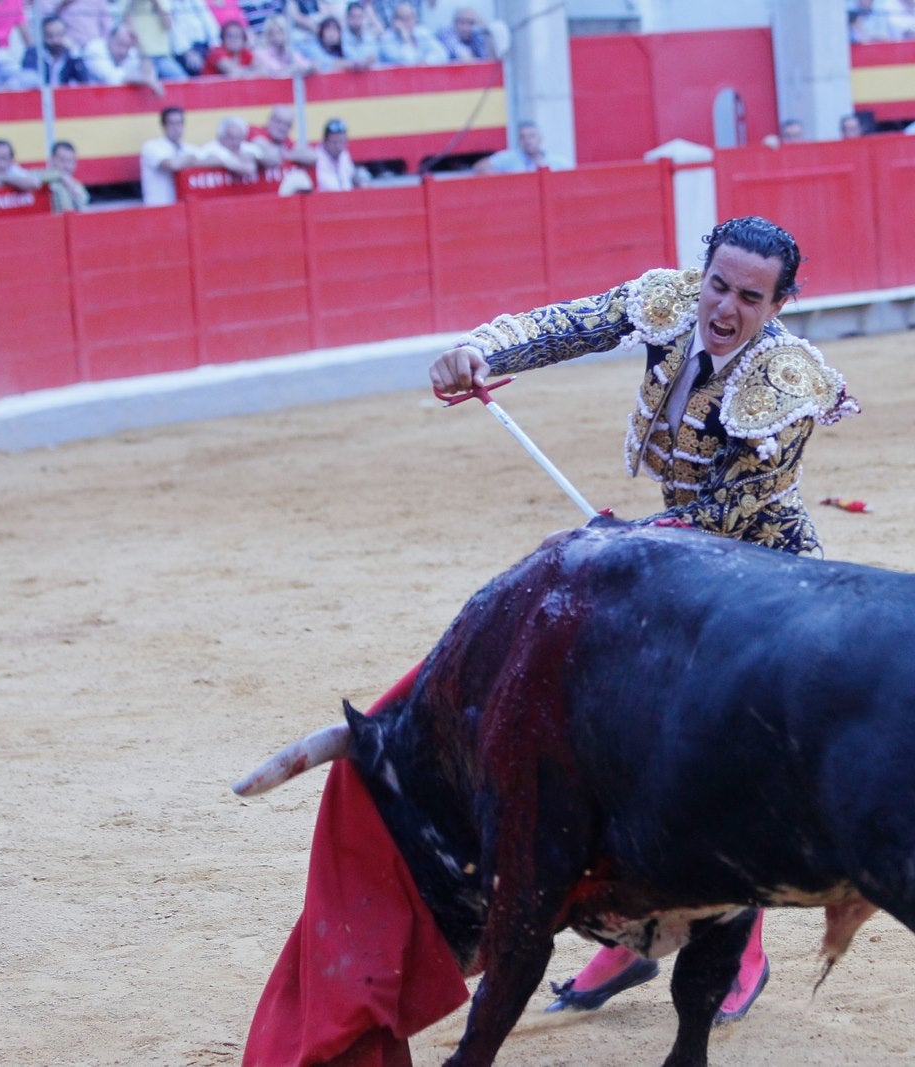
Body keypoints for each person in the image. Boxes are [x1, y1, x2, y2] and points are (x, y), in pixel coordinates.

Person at [429, 216, 857, 1022]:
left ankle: (741, 943)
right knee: (624, 751)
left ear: (782, 303)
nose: (724, 308)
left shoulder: (787, 379)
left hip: (763, 585)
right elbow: (572, 322)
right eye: (718, 284)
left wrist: (643, 544)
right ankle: (634, 933)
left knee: (724, 768)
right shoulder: (669, 301)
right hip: (668, 566)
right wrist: (484, 350)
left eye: (750, 297)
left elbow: (737, 502)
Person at [139, 105, 199, 205]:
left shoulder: (189, 148)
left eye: (179, 123)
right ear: (163, 126)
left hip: (182, 206)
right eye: (172, 123)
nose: (176, 128)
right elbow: (171, 165)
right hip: (159, 207)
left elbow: (208, 160)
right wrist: (192, 159)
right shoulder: (151, 147)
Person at [474, 119, 572, 173]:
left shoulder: (558, 162)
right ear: (519, 141)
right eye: (522, 137)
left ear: (540, 139)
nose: (527, 141)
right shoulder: (511, 158)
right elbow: (480, 167)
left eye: (531, 136)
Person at [83, 23, 161, 90]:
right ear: (110, 38)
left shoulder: (131, 52)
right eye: (120, 44)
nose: (123, 51)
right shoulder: (94, 48)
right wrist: (145, 79)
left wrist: (139, 45)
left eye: (127, 46)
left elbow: (150, 75)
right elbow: (113, 78)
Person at [18, 15, 90, 84]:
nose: (55, 40)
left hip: (63, 95)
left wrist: (75, 53)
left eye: (59, 35)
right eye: (50, 36)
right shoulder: (33, 54)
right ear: (43, 36)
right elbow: (29, 79)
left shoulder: (71, 56)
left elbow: (84, 81)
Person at [196, 114, 266, 177]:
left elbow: (265, 158)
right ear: (220, 136)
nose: (235, 142)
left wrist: (253, 158)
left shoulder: (247, 147)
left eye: (239, 138)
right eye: (231, 138)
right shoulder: (210, 149)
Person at [376, 0, 445, 64]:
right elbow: (408, 62)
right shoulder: (387, 39)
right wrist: (406, 39)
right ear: (395, 21)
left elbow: (442, 54)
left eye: (409, 18)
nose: (407, 22)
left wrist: (426, 61)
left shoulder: (422, 32)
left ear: (415, 19)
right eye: (402, 19)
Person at [249, 103, 317, 166]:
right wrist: (288, 153)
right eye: (279, 122)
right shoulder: (255, 132)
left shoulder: (286, 141)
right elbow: (272, 157)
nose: (282, 128)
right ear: (270, 120)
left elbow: (313, 157)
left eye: (287, 125)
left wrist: (288, 155)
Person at [313, 116, 367, 190]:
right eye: (334, 142)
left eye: (342, 142)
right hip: (325, 198)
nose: (338, 147)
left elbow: (351, 177)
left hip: (345, 198)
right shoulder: (315, 158)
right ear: (325, 141)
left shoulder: (344, 154)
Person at [39, 139, 90, 212]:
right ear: (52, 160)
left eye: (70, 161)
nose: (67, 166)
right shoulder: (43, 181)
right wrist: (60, 176)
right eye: (62, 160)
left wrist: (72, 189)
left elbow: (82, 209)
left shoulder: (77, 186)